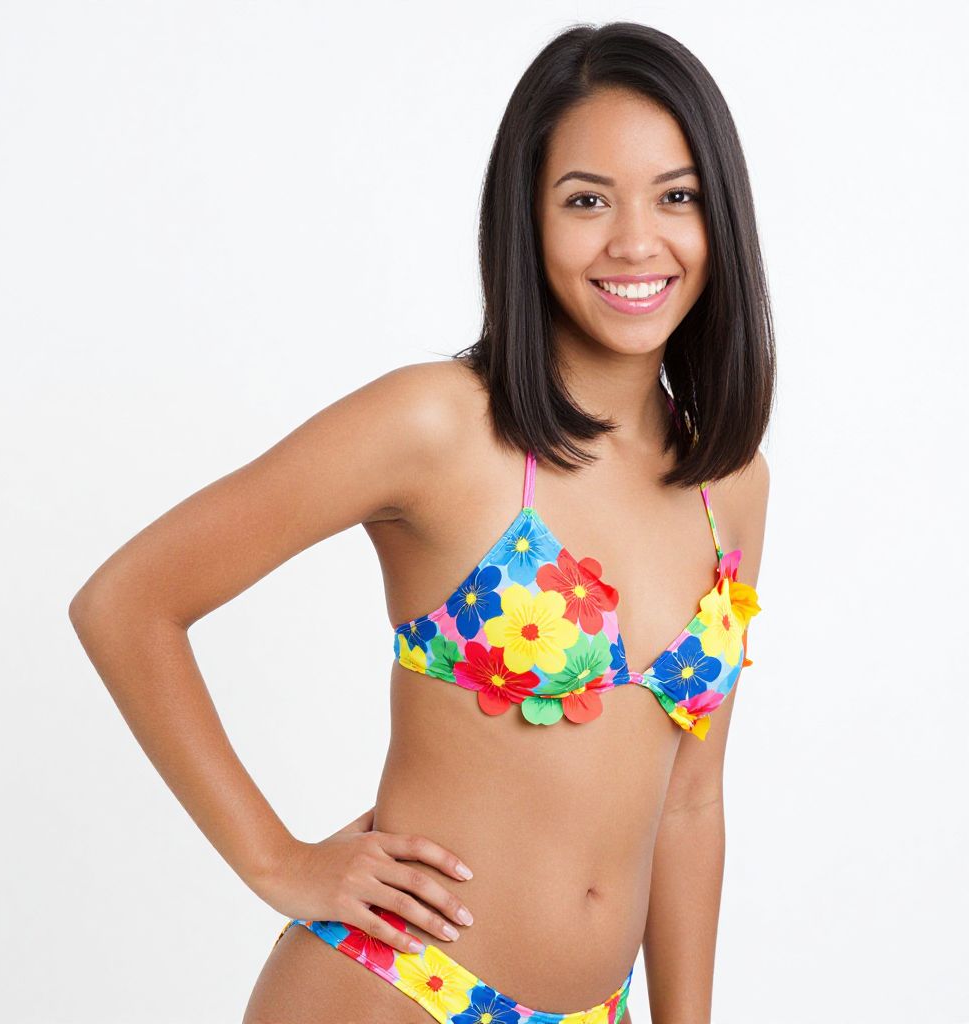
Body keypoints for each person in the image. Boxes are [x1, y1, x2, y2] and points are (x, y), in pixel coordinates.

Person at [69, 20, 774, 1024]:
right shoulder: (437, 425)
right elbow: (127, 603)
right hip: (395, 990)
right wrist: (275, 861)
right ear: (526, 219)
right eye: (586, 199)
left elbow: (691, 802)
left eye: (677, 196)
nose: (633, 240)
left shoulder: (729, 484)